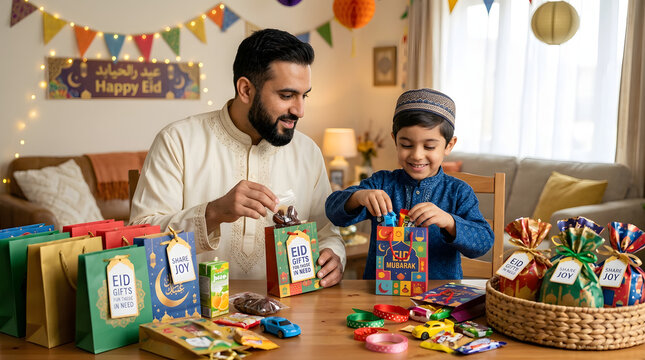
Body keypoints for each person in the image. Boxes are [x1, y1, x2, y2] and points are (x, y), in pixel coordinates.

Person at [130, 29, 345, 286]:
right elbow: (141, 237)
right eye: (287, 96)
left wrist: (334, 255)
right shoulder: (177, 141)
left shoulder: (308, 152)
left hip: (290, 317)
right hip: (192, 314)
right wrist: (213, 213)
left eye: (304, 95)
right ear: (245, 90)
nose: (299, 110)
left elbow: (326, 232)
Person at [325, 88, 493, 280]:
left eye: (429, 146)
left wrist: (449, 221)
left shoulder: (458, 192)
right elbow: (333, 211)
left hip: (437, 300)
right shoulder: (381, 183)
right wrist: (358, 197)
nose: (417, 155)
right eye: (406, 145)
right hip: (380, 296)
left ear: (449, 145)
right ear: (394, 140)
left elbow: (483, 242)